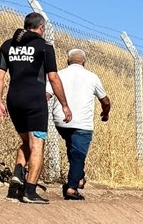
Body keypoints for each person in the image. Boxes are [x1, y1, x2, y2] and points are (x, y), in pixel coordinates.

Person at [0, 12, 71, 204]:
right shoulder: (45, 47)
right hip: (35, 101)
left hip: (14, 100)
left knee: (27, 142)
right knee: (37, 145)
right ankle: (30, 191)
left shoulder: (7, 45)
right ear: (41, 28)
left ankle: (18, 175)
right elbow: (53, 78)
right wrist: (64, 105)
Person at [48, 49, 111, 200]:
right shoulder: (92, 77)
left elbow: (47, 94)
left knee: (72, 147)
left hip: (61, 120)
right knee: (78, 154)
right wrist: (105, 112)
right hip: (82, 122)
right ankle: (72, 188)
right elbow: (105, 100)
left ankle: (79, 177)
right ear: (84, 62)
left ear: (68, 61)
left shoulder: (58, 74)